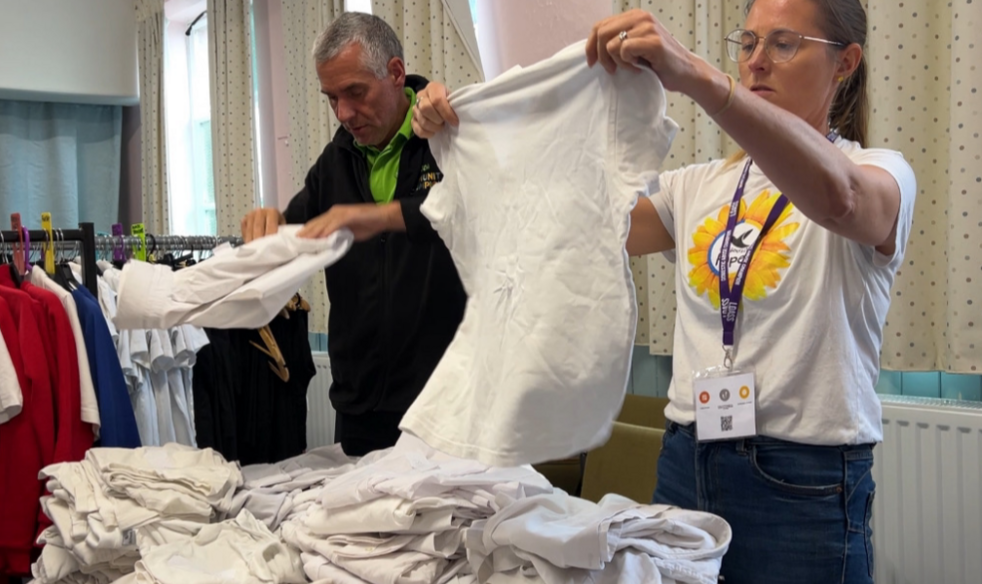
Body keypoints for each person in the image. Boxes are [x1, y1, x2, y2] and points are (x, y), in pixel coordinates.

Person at [413, 0, 915, 582]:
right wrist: (473, 133)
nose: (755, 63)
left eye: (783, 44)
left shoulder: (882, 171)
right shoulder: (702, 185)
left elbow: (843, 200)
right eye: (747, 44)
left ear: (844, 62)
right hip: (687, 456)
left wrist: (698, 76)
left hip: (800, 479)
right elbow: (568, 221)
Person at [240, 12, 466, 457]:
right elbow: (293, 235)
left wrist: (375, 216)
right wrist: (269, 227)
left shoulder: (449, 138)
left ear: (396, 73)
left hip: (447, 404)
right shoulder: (334, 162)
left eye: (355, 93)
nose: (343, 113)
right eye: (331, 98)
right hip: (361, 408)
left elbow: (469, 214)